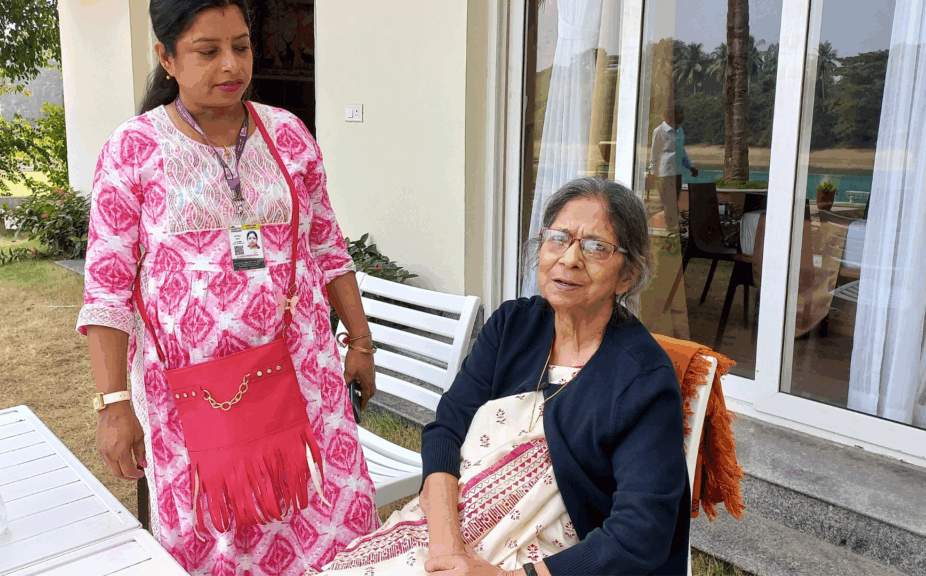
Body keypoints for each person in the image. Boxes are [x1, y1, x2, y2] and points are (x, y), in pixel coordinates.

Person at [76, 1, 379, 574]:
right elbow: (107, 290)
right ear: (166, 57)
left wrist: (359, 342)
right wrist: (114, 405)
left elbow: (326, 246)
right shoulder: (133, 148)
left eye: (240, 46)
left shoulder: (287, 134)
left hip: (306, 376)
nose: (230, 65)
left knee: (329, 521)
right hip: (194, 397)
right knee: (218, 535)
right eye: (207, 50)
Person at [307, 177, 690, 576]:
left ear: (627, 275)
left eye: (596, 247)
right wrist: (445, 548)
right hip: (447, 526)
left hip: (550, 560)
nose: (570, 258)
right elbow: (446, 430)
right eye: (559, 238)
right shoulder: (513, 326)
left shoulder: (643, 378)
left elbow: (641, 532)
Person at [648, 105, 699, 231]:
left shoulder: (679, 131)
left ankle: (672, 227)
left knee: (674, 201)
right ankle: (671, 227)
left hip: (676, 172)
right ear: (671, 117)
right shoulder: (660, 131)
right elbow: (655, 152)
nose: (682, 117)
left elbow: (682, 151)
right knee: (668, 201)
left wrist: (691, 167)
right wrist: (652, 172)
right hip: (664, 173)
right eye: (679, 114)